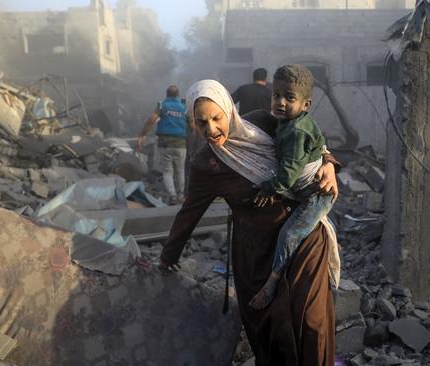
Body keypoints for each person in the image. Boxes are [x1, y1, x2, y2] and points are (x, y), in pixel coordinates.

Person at [160, 79, 340, 365]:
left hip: (304, 239)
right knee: (271, 333)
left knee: (310, 321)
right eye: (201, 123)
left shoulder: (262, 123)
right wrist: (167, 258)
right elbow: (189, 214)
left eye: (217, 118)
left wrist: (330, 164)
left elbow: (309, 138)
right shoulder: (206, 164)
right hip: (256, 255)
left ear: (229, 110)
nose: (212, 130)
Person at [248, 64, 335, 310]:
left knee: (289, 234)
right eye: (276, 95)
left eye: (290, 97)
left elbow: (286, 178)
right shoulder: (287, 122)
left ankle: (272, 282)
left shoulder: (296, 131)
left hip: (315, 195)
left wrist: (267, 188)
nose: (281, 102)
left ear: (306, 105)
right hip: (304, 189)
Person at [137, 85, 187, 205]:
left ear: (167, 95)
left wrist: (142, 134)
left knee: (167, 171)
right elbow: (193, 125)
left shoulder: (162, 105)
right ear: (178, 95)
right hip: (181, 144)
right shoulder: (184, 107)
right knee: (180, 171)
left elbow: (151, 120)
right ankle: (181, 195)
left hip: (165, 144)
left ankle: (173, 196)